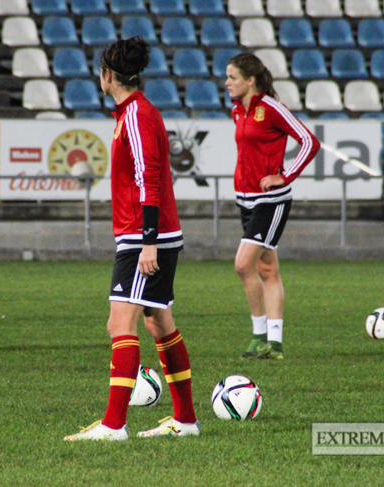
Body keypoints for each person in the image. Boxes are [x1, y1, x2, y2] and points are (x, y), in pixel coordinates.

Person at [65, 37, 198, 441]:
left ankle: (113, 425)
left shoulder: (137, 115)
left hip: (144, 238)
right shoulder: (134, 112)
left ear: (108, 75)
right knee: (159, 321)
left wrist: (149, 241)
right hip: (149, 235)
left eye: (100, 73)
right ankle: (186, 420)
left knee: (120, 322)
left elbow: (149, 177)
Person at [226, 53, 320, 360]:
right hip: (246, 199)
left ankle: (258, 336)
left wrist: (285, 175)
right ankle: (275, 344)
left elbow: (309, 141)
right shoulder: (237, 111)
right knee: (267, 268)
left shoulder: (272, 108)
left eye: (233, 78)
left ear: (250, 80)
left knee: (243, 265)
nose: (227, 83)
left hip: (271, 201)